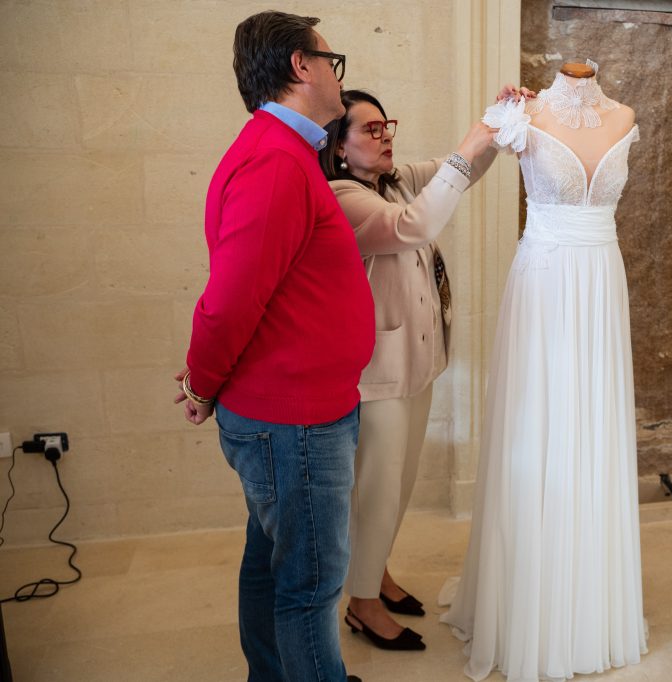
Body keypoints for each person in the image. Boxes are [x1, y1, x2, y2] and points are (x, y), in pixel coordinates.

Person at [173, 11, 371, 681]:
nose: (336, 77)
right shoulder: (275, 160)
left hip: (295, 412)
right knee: (310, 588)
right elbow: (228, 300)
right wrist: (203, 383)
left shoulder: (283, 151)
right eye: (330, 60)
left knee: (273, 563)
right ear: (300, 66)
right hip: (295, 421)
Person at [441, 60, 647, 681]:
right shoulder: (522, 113)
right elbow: (465, 163)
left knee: (593, 431)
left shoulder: (626, 117)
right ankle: (526, 603)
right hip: (546, 277)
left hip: (601, 278)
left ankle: (590, 604)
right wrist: (495, 114)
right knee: (539, 426)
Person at [317, 85, 529, 650]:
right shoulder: (341, 196)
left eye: (388, 125)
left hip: (417, 364)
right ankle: (361, 604)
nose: (386, 136)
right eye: (370, 129)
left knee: (400, 484)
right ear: (339, 147)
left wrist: (497, 119)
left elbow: (462, 172)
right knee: (378, 489)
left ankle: (374, 572)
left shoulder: (394, 178)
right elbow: (413, 225)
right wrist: (470, 143)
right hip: (378, 375)